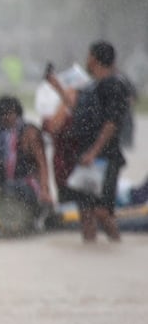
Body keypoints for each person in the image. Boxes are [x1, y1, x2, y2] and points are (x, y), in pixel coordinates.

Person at [57, 41, 134, 242]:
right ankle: (90, 249)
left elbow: (112, 122)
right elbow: (80, 113)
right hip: (85, 156)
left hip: (104, 158)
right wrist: (57, 87)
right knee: (86, 211)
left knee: (102, 211)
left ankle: (116, 245)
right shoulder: (92, 86)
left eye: (89, 56)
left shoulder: (114, 84)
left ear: (94, 58)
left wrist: (94, 151)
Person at [0, 95, 52, 211]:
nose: (5, 119)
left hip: (28, 183)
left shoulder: (29, 132)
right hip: (9, 182)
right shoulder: (3, 134)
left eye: (7, 115)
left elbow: (42, 163)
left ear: (14, 113)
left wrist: (44, 190)